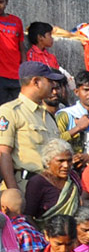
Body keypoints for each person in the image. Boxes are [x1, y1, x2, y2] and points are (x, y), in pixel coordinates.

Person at [0, 62, 64, 193]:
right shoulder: (10, 111)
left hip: (52, 186)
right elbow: (3, 154)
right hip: (26, 185)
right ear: (36, 82)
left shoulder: (48, 115)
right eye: (49, 81)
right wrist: (14, 192)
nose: (53, 85)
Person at [23, 140, 80, 228]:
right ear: (48, 161)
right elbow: (28, 216)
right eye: (61, 161)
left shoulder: (73, 179)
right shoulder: (37, 182)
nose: (66, 165)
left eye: (69, 161)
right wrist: (42, 237)